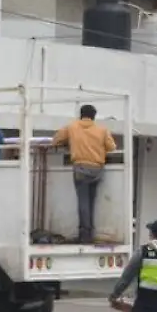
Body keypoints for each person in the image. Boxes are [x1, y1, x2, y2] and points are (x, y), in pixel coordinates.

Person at [51, 104, 117, 243]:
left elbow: (55, 140)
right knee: (92, 201)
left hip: (81, 168)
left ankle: (84, 234)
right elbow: (112, 147)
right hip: (97, 169)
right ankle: (90, 233)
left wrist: (70, 143)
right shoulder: (102, 130)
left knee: (83, 202)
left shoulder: (72, 127)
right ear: (94, 116)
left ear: (81, 115)